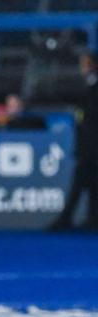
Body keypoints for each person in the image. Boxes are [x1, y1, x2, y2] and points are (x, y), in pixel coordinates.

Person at [51, 50, 98, 230]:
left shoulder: (93, 90)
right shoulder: (87, 88)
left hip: (92, 149)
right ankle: (91, 219)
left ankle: (66, 219)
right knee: (91, 185)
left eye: (86, 64)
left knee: (80, 184)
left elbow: (90, 120)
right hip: (87, 148)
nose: (82, 68)